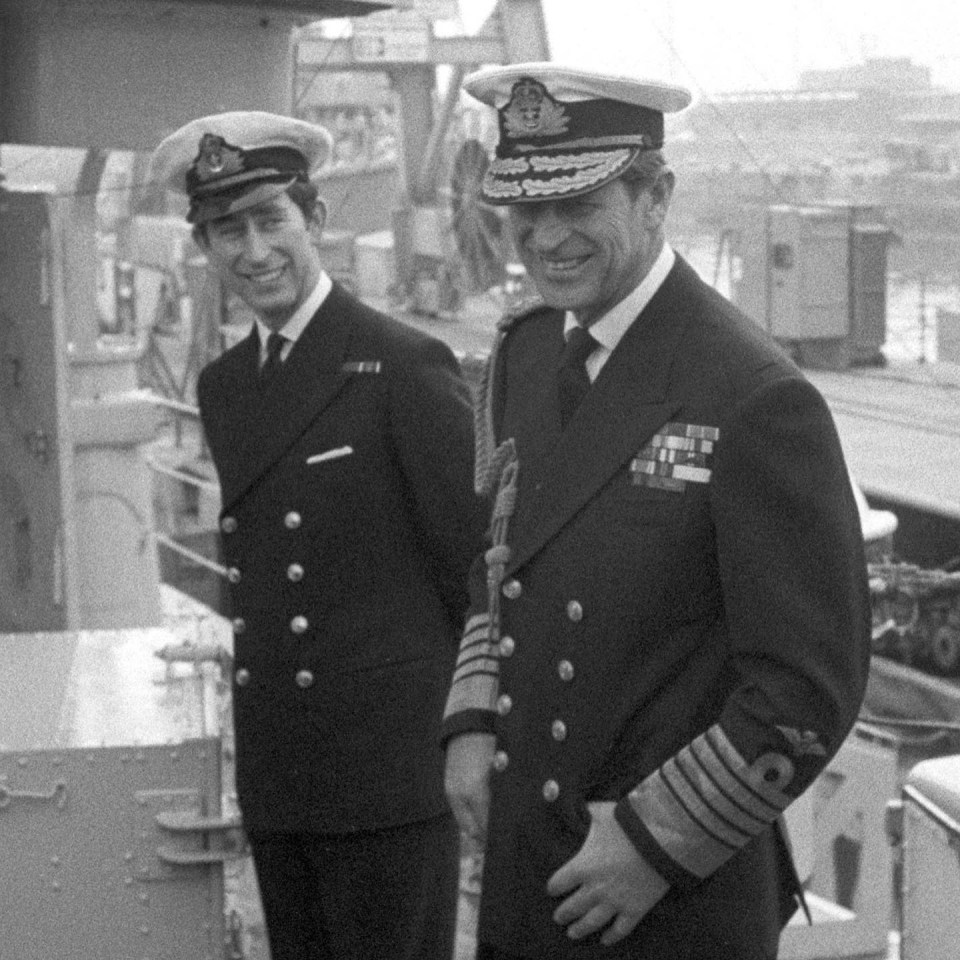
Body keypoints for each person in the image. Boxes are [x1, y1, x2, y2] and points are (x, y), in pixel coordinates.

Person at [442, 64, 872, 960]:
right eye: (527, 211)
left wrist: (650, 848)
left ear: (656, 196)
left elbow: (807, 686)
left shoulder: (751, 395)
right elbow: (499, 565)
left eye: (581, 204)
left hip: (663, 893)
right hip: (529, 854)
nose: (548, 238)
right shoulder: (523, 356)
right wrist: (474, 722)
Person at [149, 111, 486, 960]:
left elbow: (477, 574)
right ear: (203, 245)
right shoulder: (226, 386)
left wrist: (476, 740)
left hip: (389, 780)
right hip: (282, 774)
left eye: (272, 221)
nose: (255, 251)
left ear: (316, 222)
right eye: (229, 229)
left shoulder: (403, 367)